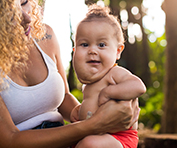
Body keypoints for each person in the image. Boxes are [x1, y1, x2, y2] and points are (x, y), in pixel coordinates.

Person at [0, 0, 140, 148]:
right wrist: (94, 124)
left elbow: (64, 97)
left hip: (68, 138)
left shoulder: (45, 35)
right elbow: (9, 140)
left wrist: (90, 112)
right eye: (9, 11)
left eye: (23, 2)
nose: (27, 18)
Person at [71, 4, 146, 148]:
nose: (92, 50)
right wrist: (80, 109)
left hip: (120, 138)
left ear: (118, 51)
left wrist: (108, 92)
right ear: (74, 51)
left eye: (101, 44)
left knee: (88, 144)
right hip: (99, 136)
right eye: (85, 44)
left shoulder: (114, 73)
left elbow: (139, 86)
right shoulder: (91, 81)